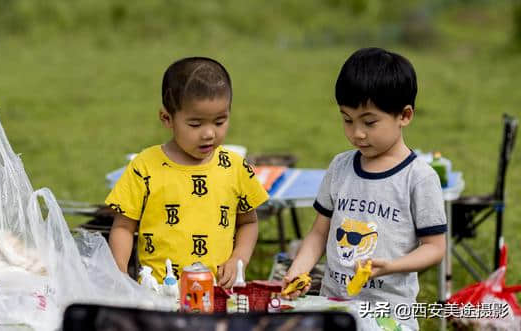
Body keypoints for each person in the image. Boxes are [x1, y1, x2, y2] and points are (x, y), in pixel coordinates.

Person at [283, 47, 446, 330]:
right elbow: (319, 232)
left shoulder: (418, 177)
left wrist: (391, 266)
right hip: (335, 307)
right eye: (347, 119)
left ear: (404, 115)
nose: (356, 133)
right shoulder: (340, 167)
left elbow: (434, 247)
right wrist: (299, 268)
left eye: (369, 122)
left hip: (389, 314)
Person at [105, 57, 269, 288]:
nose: (209, 133)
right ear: (167, 118)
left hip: (220, 293)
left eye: (220, 121)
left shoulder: (235, 167)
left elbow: (248, 223)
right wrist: (120, 275)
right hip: (160, 292)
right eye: (195, 124)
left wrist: (238, 259)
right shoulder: (144, 166)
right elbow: (123, 226)